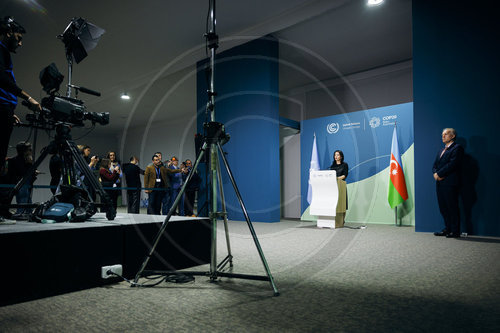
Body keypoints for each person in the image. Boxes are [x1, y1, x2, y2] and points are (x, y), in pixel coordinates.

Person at [0, 16, 41, 177]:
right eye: (19, 38)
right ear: (9, 32)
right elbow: (2, 79)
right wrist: (28, 97)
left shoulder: (4, 54)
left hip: (5, 110)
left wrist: (9, 111)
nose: (21, 43)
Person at [433, 128, 464, 238]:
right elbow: (435, 165)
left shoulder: (457, 148)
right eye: (442, 134)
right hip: (440, 183)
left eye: (445, 134)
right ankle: (447, 229)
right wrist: (435, 173)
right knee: (443, 207)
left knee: (452, 207)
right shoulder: (441, 150)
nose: (443, 136)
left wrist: (440, 174)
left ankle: (455, 231)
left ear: (452, 136)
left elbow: (453, 164)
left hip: (450, 182)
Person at [6, 141, 36, 218]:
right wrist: (29, 164)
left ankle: (28, 213)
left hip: (24, 183)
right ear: (24, 151)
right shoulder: (17, 160)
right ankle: (20, 214)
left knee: (27, 199)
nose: (31, 151)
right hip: (21, 183)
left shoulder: (18, 160)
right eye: (29, 149)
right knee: (23, 199)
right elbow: (22, 173)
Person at [329, 150, 348, 226]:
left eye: (337, 155)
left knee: (343, 204)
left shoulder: (344, 165)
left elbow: (345, 175)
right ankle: (334, 221)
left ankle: (342, 221)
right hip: (333, 187)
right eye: (335, 155)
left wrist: (337, 178)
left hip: (341, 186)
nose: (336, 156)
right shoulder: (332, 166)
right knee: (334, 204)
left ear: (341, 156)